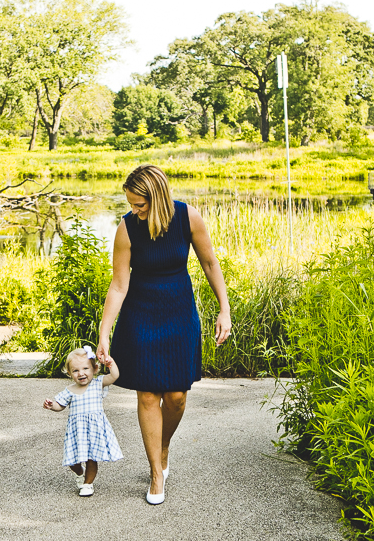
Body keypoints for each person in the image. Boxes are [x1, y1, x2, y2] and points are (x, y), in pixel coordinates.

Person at [96, 164, 232, 505]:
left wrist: (224, 309)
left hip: (178, 312)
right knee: (147, 396)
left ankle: (163, 444)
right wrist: (104, 332)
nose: (134, 210)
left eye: (140, 205)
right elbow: (118, 284)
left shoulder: (188, 218)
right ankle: (156, 471)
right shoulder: (127, 229)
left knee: (176, 397)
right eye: (131, 204)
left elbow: (210, 264)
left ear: (157, 198)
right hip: (141, 316)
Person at [43, 345, 123, 497]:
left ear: (94, 368)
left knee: (91, 459)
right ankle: (80, 473)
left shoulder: (98, 384)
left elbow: (114, 377)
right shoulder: (69, 390)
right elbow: (60, 405)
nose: (81, 373)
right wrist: (51, 405)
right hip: (77, 432)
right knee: (73, 462)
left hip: (94, 430)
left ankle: (88, 484)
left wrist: (111, 364)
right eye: (75, 370)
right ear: (69, 373)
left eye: (86, 368)